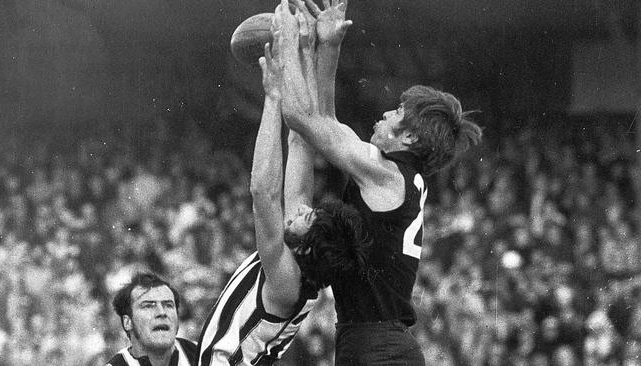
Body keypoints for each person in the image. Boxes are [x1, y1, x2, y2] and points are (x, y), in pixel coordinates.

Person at [272, 0, 483, 364]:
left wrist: (288, 40)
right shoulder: (397, 176)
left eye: (398, 113)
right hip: (377, 343)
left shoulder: (384, 172)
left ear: (411, 138)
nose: (386, 113)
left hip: (375, 347)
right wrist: (327, 48)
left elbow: (299, 116)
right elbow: (323, 119)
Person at [195, 8, 369, 365]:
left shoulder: (286, 280)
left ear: (307, 247)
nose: (304, 207)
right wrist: (309, 53)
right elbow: (303, 137)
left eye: (308, 216)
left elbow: (262, 191)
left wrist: (273, 97)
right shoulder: (301, 261)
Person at [105, 272, 197, 366]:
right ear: (127, 322)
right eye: (148, 306)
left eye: (168, 305)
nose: (162, 313)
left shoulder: (203, 354)